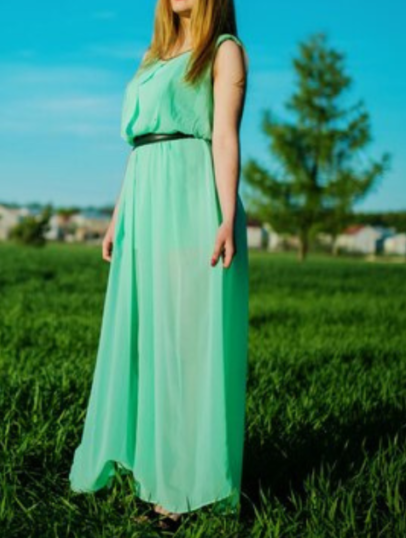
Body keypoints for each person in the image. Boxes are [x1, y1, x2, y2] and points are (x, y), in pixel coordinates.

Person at [68, 0, 250, 530]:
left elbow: (223, 137)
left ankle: (180, 490)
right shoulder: (152, 56)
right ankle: (148, 466)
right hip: (145, 204)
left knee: (183, 346)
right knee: (146, 344)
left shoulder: (224, 52)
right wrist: (116, 219)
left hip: (191, 202)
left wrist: (223, 215)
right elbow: (139, 147)